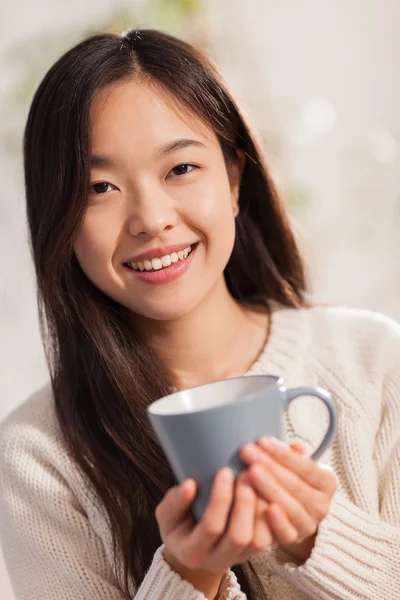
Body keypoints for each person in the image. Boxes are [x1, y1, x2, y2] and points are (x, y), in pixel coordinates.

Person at [0, 28, 399, 600]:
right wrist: (188, 575)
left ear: (234, 179)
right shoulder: (38, 454)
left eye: (180, 169)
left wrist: (317, 537)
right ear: (58, 220)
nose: (151, 219)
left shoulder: (377, 362)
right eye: (100, 186)